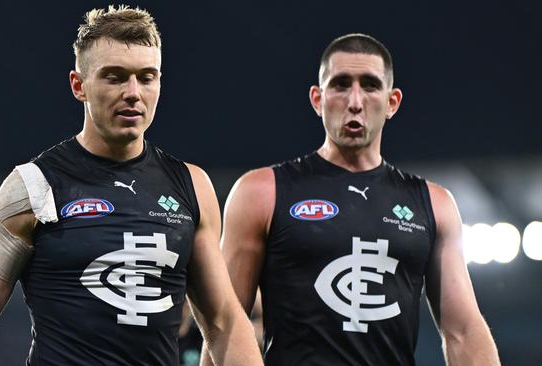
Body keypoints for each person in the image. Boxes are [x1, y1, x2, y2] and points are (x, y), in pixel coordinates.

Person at [0, 5, 262, 366]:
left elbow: (223, 321)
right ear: (79, 86)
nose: (133, 92)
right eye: (114, 76)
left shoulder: (192, 186)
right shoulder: (33, 186)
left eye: (146, 76)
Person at [211, 34, 501, 365]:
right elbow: (223, 325)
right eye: (340, 84)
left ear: (392, 102)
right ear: (317, 99)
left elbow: (462, 330)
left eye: (370, 85)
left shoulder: (434, 205)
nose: (355, 101)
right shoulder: (261, 192)